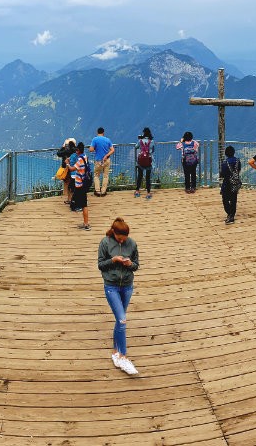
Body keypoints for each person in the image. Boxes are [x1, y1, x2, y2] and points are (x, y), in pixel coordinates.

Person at [98, 217, 140, 375]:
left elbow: (136, 265)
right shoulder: (105, 243)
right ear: (114, 233)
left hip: (127, 286)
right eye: (119, 237)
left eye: (125, 237)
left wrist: (130, 264)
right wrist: (113, 260)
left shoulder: (132, 243)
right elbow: (100, 265)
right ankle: (123, 357)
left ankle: (116, 352)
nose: (122, 240)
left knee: (119, 319)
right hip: (111, 286)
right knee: (122, 320)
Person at [68, 141, 91, 229]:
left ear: (78, 150)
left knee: (83, 204)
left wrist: (67, 163)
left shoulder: (80, 160)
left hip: (80, 184)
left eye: (77, 150)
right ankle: (85, 223)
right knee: (82, 203)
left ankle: (86, 224)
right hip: (84, 184)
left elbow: (71, 169)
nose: (76, 151)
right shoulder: (85, 157)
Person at [219, 145, 243, 224]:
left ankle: (229, 214)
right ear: (233, 152)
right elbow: (238, 170)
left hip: (227, 183)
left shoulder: (225, 163)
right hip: (235, 182)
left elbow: (222, 174)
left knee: (225, 199)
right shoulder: (237, 161)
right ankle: (232, 215)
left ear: (226, 153)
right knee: (233, 199)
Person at [90, 127, 115, 197]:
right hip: (106, 160)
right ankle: (103, 191)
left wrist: (95, 148)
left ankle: (97, 191)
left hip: (98, 160)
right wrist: (106, 155)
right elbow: (112, 150)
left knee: (96, 175)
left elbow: (91, 149)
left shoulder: (95, 139)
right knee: (105, 176)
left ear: (97, 132)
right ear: (103, 133)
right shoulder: (107, 140)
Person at [134, 127, 154, 200]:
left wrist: (139, 139)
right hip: (148, 160)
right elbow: (153, 150)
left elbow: (136, 147)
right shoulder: (151, 141)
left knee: (140, 176)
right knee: (148, 178)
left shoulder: (140, 141)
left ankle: (137, 191)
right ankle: (148, 193)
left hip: (141, 161)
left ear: (143, 133)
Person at [56, 138, 77, 205]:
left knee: (68, 184)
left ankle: (69, 199)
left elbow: (58, 153)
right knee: (73, 184)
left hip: (67, 169)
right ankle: (73, 198)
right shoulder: (76, 150)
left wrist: (62, 147)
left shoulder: (66, 150)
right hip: (74, 169)